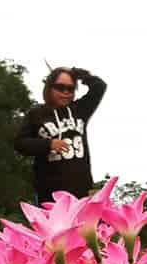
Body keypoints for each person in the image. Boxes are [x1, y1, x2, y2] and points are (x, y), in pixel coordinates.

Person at [13, 66, 107, 204]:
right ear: (49, 87)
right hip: (49, 193)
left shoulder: (80, 110)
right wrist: (48, 144)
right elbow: (20, 143)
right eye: (60, 87)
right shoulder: (36, 114)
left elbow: (99, 86)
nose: (65, 92)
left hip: (81, 191)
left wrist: (80, 74)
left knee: (86, 226)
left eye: (70, 88)